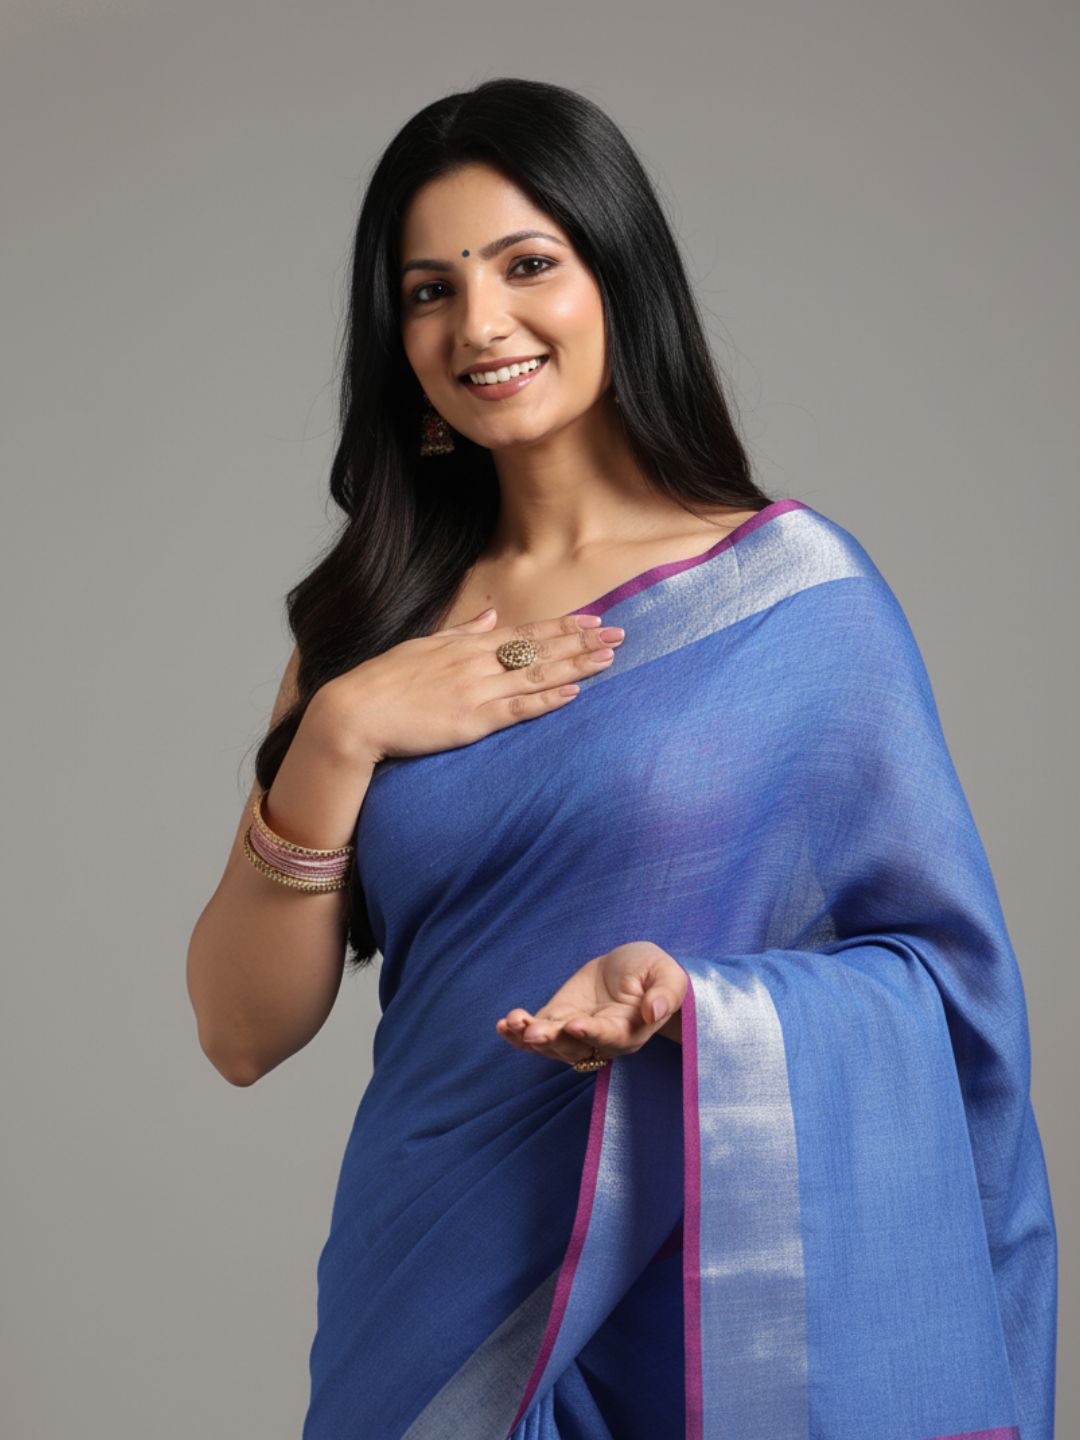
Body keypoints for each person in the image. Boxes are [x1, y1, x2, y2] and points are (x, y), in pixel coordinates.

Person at [185, 77, 1058, 1440]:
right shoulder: (368, 630)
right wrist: (344, 731)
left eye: (527, 265)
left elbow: (950, 994)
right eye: (429, 291)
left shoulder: (796, 602)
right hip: (427, 1282)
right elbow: (242, 1034)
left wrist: (699, 1004)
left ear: (617, 277)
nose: (480, 325)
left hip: (699, 1281)